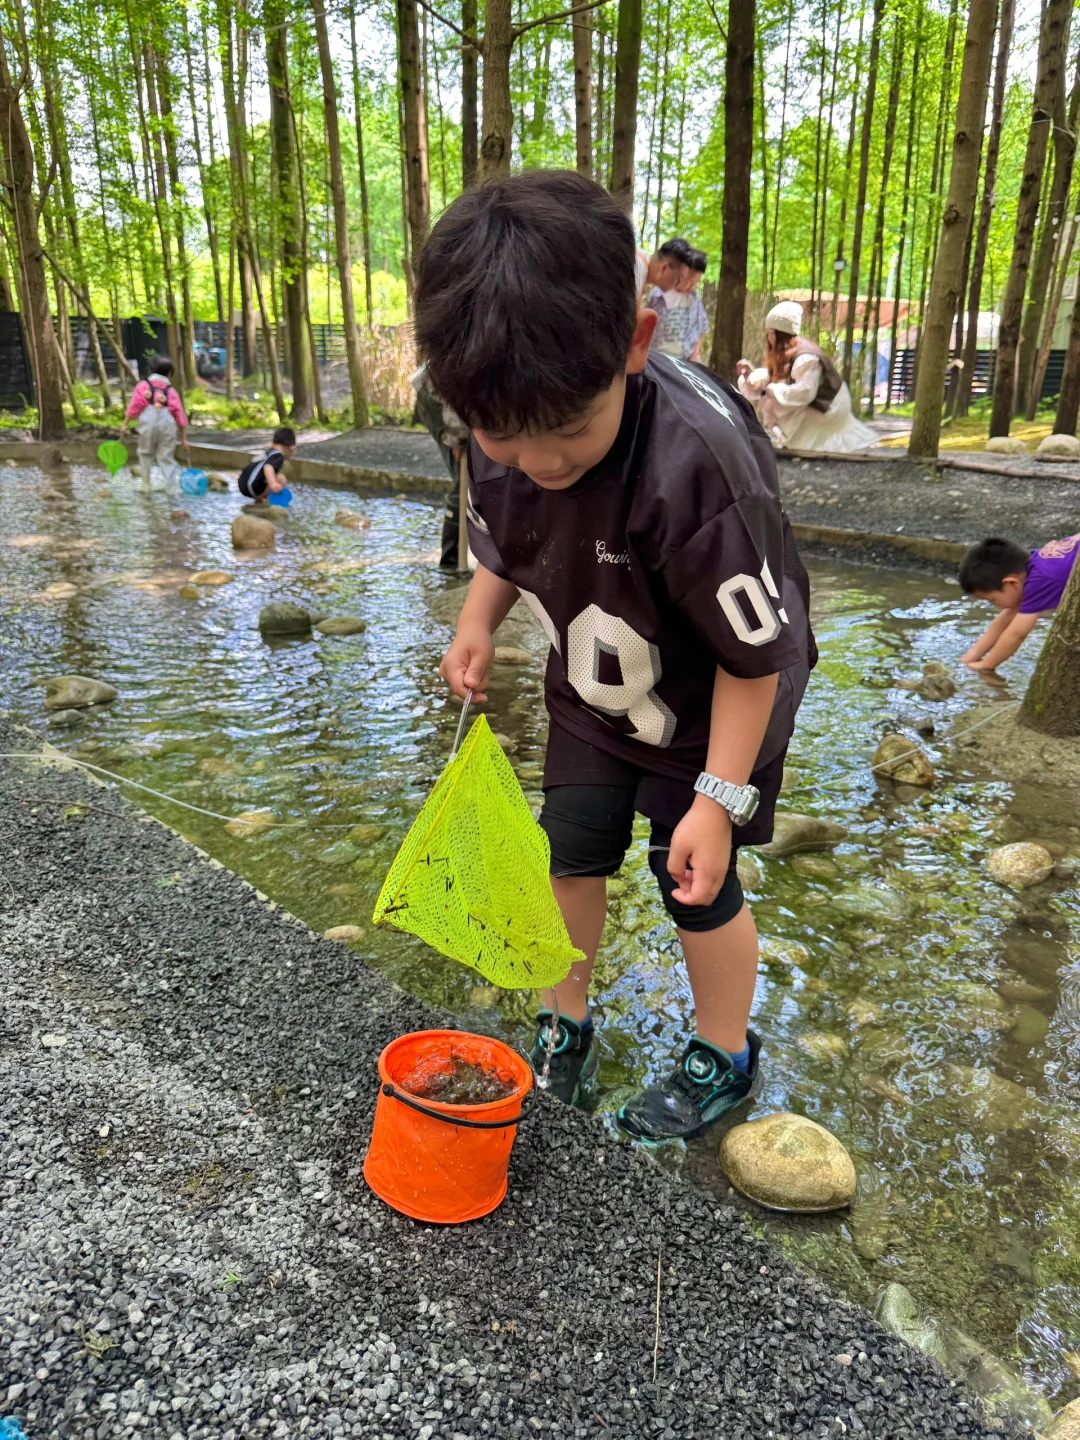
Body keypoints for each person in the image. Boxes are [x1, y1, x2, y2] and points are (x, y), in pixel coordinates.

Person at [418, 170, 815, 1142]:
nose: (541, 465)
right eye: (504, 440)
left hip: (722, 700)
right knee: (570, 844)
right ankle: (567, 1024)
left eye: (567, 433)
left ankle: (723, 1054)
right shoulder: (506, 423)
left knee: (695, 881)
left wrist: (719, 803)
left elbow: (753, 661)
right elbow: (506, 539)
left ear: (635, 344)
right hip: (598, 684)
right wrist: (478, 620)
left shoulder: (698, 471)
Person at [736, 301, 875, 454]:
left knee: (772, 398)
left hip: (829, 407)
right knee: (769, 395)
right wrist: (752, 376)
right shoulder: (788, 352)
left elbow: (805, 392)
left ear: (781, 335)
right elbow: (772, 380)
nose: (769, 339)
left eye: (772, 334)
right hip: (818, 403)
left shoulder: (806, 357)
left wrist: (771, 389)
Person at [959, 534, 1080, 670]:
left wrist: (986, 666)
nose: (995, 605)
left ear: (1011, 583)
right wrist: (973, 655)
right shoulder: (1034, 564)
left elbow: (1017, 634)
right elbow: (1008, 616)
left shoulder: (1042, 581)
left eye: (992, 600)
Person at [411, 364, 471, 568]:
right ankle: (451, 561)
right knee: (464, 480)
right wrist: (457, 438)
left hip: (456, 403)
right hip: (438, 400)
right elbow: (454, 392)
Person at [119, 356, 189, 489]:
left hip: (147, 422)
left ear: (151, 369)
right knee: (166, 456)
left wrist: (125, 424)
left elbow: (135, 406)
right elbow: (179, 414)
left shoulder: (143, 386)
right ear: (169, 372)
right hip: (167, 424)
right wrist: (184, 438)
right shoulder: (171, 391)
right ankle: (171, 489)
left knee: (145, 452)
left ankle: (145, 485)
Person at [647, 246, 709, 361]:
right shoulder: (657, 295)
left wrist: (695, 356)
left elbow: (701, 327)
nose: (692, 286)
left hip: (685, 360)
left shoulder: (694, 299)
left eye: (695, 282)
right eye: (689, 280)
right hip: (658, 358)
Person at [237, 427, 297, 503]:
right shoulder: (279, 454)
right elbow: (268, 467)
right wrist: (273, 483)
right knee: (281, 479)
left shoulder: (268, 453)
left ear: (272, 443)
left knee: (270, 476)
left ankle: (258, 502)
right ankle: (267, 503)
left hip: (243, 484)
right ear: (292, 448)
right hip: (253, 487)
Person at [634, 236, 692, 303]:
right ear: (664, 268)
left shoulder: (640, 264)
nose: (677, 286)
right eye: (678, 280)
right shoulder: (637, 269)